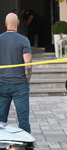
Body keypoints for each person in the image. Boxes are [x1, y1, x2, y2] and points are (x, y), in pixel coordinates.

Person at [0, 13, 33, 149]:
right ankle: (27, 145)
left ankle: (2, 142)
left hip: (2, 84)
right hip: (20, 84)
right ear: (18, 23)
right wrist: (27, 80)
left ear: (5, 23)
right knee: (23, 118)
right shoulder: (23, 40)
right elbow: (28, 64)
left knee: (1, 119)